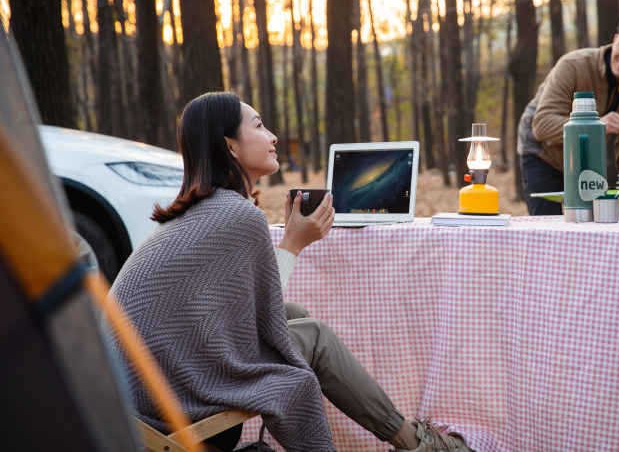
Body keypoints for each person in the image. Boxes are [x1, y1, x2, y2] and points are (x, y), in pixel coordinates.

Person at [107, 92, 472, 452]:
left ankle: (409, 438)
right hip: (167, 403)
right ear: (231, 147)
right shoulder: (234, 215)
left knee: (294, 315)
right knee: (312, 336)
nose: (273, 136)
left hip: (136, 393)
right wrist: (293, 243)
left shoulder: (202, 212)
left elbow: (248, 311)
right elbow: (259, 314)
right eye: (260, 126)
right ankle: (417, 444)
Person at [516, 12, 619, 215]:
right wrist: (597, 127)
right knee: (549, 226)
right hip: (542, 153)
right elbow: (541, 125)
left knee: (595, 224)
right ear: (614, 40)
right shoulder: (573, 65)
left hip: (588, 162)